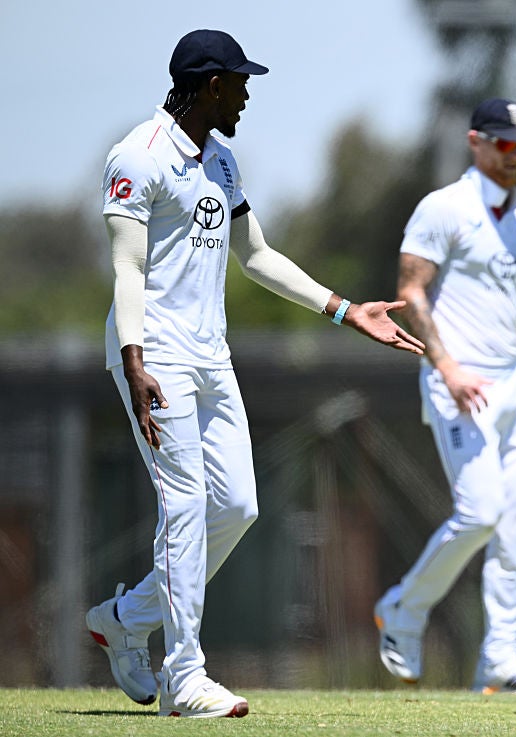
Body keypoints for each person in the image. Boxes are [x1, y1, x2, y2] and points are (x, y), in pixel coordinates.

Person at [85, 29, 424, 719]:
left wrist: (345, 309)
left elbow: (257, 254)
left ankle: (124, 617)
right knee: (182, 508)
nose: (245, 95)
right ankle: (184, 679)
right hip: (155, 356)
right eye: (239, 83)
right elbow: (126, 267)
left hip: (213, 357)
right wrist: (134, 359)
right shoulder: (139, 155)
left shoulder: (222, 161)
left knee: (237, 506)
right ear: (211, 86)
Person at [373, 98, 516, 695]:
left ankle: (501, 660)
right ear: (475, 141)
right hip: (458, 382)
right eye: (503, 145)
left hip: (513, 387)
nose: (513, 156)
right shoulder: (444, 208)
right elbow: (411, 292)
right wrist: (448, 367)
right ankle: (403, 607)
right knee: (480, 512)